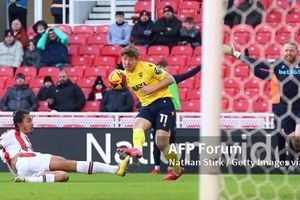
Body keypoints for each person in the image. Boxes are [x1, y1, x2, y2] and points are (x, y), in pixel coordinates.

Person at [223, 40, 300, 172]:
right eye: (286, 50)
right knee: (292, 139)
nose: (288, 53)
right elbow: (258, 66)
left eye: (291, 50)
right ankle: (287, 163)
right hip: (282, 108)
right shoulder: (278, 65)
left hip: (298, 107)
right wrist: (238, 55)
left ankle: (292, 163)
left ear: (296, 51)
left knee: (297, 136)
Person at [0, 110, 130, 183]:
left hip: (25, 169)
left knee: (63, 176)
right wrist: (5, 157)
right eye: (28, 120)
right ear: (19, 123)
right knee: (69, 164)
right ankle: (115, 169)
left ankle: (25, 180)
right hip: (26, 160)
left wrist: (12, 167)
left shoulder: (24, 138)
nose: (32, 123)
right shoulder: (11, 133)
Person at [116, 45, 183, 180]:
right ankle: (137, 149)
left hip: (163, 103)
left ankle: (177, 169)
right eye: (124, 59)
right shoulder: (124, 75)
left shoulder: (148, 67)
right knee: (137, 124)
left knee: (161, 142)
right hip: (147, 106)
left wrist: (153, 88)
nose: (127, 62)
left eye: (130, 59)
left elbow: (170, 79)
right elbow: (118, 83)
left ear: (136, 59)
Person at [151, 60, 201, 174]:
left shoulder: (172, 79)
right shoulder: (153, 82)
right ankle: (157, 167)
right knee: (156, 140)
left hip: (171, 112)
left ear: (167, 68)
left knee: (171, 141)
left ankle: (171, 166)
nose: (161, 69)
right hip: (158, 111)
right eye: (159, 67)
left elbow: (189, 74)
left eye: (163, 67)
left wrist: (201, 66)